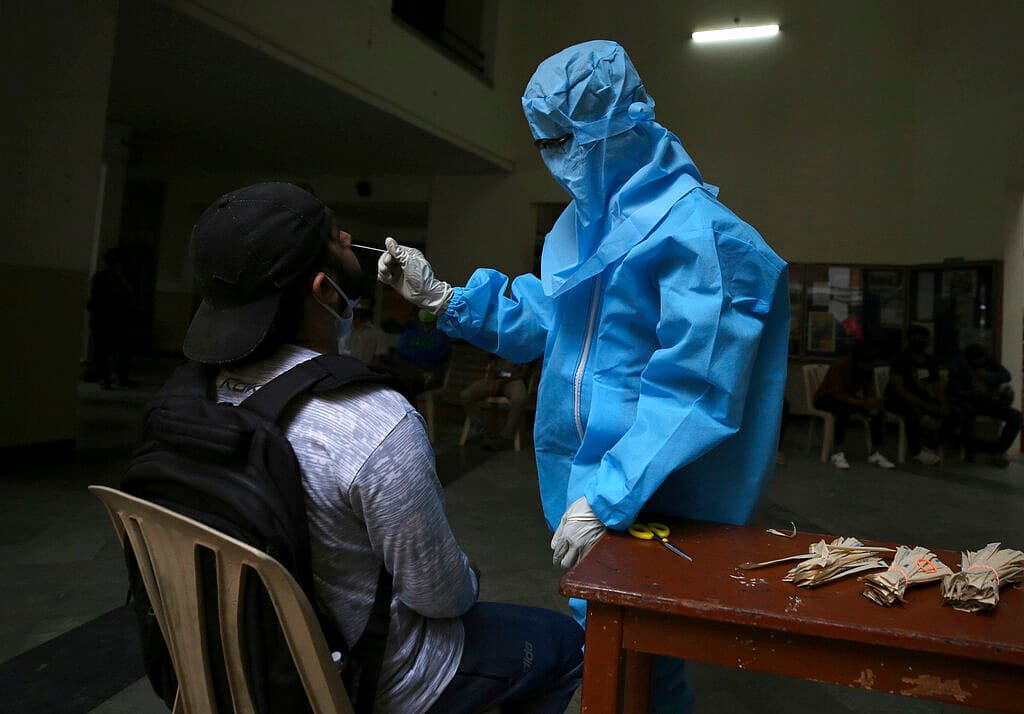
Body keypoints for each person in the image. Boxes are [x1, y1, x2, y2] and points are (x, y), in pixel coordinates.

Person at [378, 41, 790, 711]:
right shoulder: (584, 226)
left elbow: (695, 388)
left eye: (563, 139)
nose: (552, 156)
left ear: (620, 123)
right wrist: (445, 299)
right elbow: (549, 320)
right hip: (589, 480)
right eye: (543, 141)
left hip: (659, 492)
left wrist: (610, 496)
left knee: (647, 653)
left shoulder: (703, 236)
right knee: (612, 642)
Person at [181, 182, 582, 714]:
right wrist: (467, 575)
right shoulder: (375, 423)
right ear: (326, 291)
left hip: (229, 663)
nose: (350, 237)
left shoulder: (187, 406)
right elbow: (441, 596)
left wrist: (444, 298)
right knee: (567, 645)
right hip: (358, 680)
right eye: (336, 237)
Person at [813, 343, 895, 470]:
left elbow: (869, 390)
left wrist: (872, 400)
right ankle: (837, 453)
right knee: (842, 410)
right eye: (865, 363)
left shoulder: (867, 368)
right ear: (857, 361)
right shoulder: (840, 365)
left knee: (876, 411)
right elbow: (837, 393)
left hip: (848, 398)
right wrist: (862, 402)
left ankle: (876, 452)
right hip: (826, 398)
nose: (868, 366)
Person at [948, 344, 1021, 465]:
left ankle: (998, 451)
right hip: (968, 401)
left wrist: (988, 376)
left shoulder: (988, 359)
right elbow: (954, 390)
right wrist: (974, 392)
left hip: (988, 402)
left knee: (1016, 416)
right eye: (977, 363)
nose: (981, 364)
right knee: (967, 413)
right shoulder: (959, 366)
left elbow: (1007, 375)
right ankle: (970, 451)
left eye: (983, 361)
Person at [886, 325, 949, 465]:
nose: (921, 341)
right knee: (912, 411)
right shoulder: (901, 359)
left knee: (953, 413)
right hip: (897, 399)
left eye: (924, 338)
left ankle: (932, 444)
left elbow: (937, 386)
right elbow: (899, 389)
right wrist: (925, 405)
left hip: (922, 397)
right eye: (918, 338)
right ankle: (916, 452)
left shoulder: (930, 361)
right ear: (910, 339)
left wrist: (943, 404)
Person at [87, 247, 141, 389]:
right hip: (106, 319)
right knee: (104, 351)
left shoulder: (125, 278)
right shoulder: (103, 278)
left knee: (122, 351)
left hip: (120, 320)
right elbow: (97, 300)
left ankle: (119, 377)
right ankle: (105, 378)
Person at [461, 355, 532, 450]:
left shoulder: (526, 348)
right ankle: (482, 431)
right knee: (466, 395)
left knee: (519, 398)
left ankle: (505, 435)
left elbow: (523, 373)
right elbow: (491, 362)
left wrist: (501, 381)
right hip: (495, 378)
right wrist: (492, 378)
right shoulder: (499, 346)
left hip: (514, 379)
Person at [339, 297, 390, 366]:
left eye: (362, 310)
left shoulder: (377, 333)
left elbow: (378, 359)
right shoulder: (343, 329)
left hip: (364, 370)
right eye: (356, 308)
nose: (358, 313)